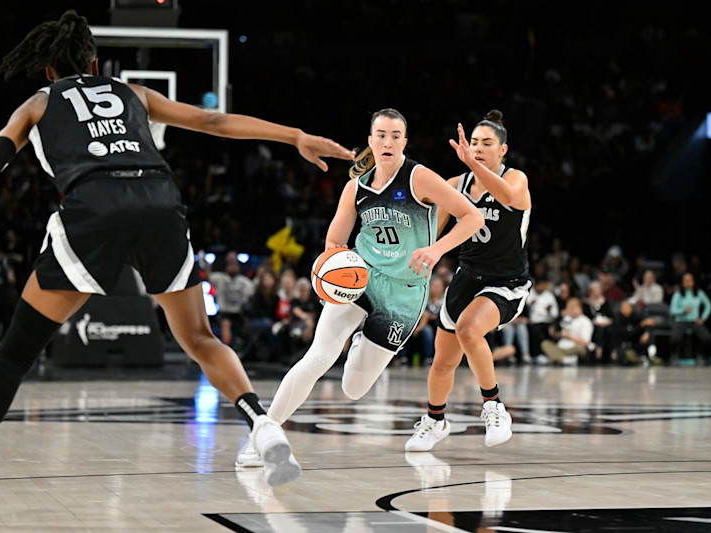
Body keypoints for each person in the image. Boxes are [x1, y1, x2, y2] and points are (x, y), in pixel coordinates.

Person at [0, 10, 355, 487]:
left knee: (14, 355)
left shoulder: (37, 102)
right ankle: (263, 425)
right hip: (159, 200)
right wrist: (295, 135)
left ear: (49, 70)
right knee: (200, 339)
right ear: (96, 63)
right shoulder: (134, 92)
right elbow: (214, 121)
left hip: (95, 205)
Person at [236, 108, 483, 467]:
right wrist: (334, 263)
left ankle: (360, 340)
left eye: (396, 135)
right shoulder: (356, 187)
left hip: (403, 293)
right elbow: (335, 239)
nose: (388, 142)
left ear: (404, 142)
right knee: (318, 357)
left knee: (354, 389)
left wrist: (436, 249)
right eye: (381, 134)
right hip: (360, 278)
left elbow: (472, 217)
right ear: (370, 141)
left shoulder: (419, 178)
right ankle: (263, 434)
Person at [405, 110, 533, 453]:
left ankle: (494, 406)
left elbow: (506, 197)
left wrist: (473, 164)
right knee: (443, 361)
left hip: (506, 282)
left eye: (486, 143)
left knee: (468, 329)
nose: (477, 148)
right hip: (466, 279)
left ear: (502, 150)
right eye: (473, 143)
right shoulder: (454, 186)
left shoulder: (516, 179)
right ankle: (435, 420)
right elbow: (433, 231)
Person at [208, 251, 255, 348]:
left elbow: (252, 292)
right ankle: (227, 346)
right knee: (226, 323)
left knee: (249, 323)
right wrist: (206, 264)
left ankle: (243, 346)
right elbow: (208, 276)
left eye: (235, 265)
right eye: (230, 265)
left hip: (240, 312)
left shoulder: (244, 282)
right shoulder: (220, 278)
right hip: (224, 312)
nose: (232, 267)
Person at [669, 272, 711, 363]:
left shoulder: (699, 293)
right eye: (685, 281)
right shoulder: (678, 294)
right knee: (674, 338)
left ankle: (701, 355)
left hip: (694, 321)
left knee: (707, 337)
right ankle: (674, 355)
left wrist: (703, 318)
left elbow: (708, 305)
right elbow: (672, 309)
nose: (687, 282)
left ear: (693, 281)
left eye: (689, 280)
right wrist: (683, 310)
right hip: (681, 321)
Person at [540, 297, 594, 365]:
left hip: (575, 347)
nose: (570, 310)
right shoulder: (566, 318)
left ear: (580, 308)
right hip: (561, 347)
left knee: (580, 349)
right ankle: (564, 359)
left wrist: (568, 336)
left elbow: (585, 342)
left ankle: (555, 358)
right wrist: (555, 333)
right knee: (545, 343)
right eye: (568, 308)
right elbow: (559, 335)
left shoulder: (585, 321)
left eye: (572, 308)